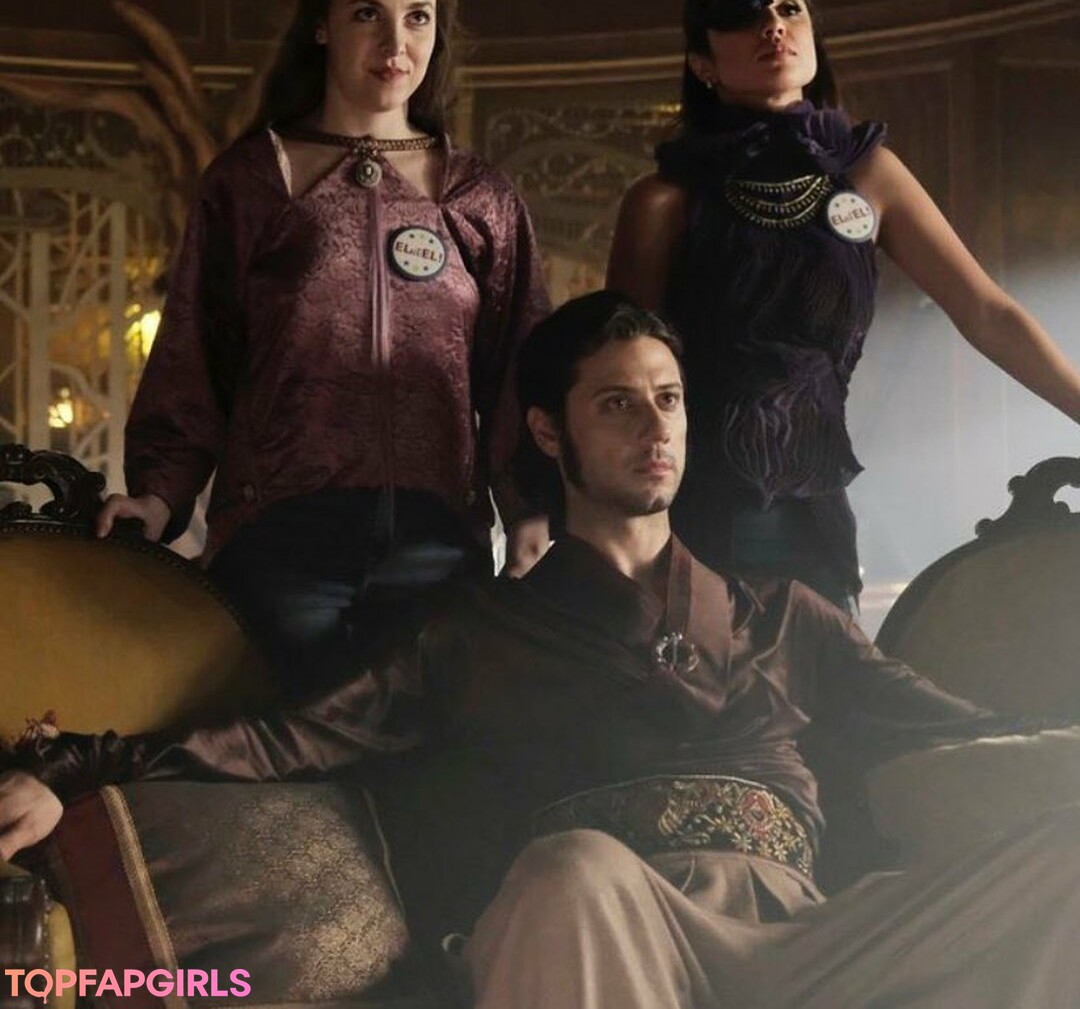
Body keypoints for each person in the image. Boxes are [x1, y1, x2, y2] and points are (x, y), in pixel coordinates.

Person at [2, 291, 1077, 1009]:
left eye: (669, 400)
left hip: (802, 945)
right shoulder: (479, 629)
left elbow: (973, 730)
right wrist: (75, 769)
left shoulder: (787, 615)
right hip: (605, 931)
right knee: (574, 871)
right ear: (552, 432)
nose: (656, 428)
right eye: (618, 404)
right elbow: (288, 740)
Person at [96, 0, 551, 694]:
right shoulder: (251, 183)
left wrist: (528, 507)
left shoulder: (480, 197)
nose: (396, 42)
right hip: (280, 541)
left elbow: (522, 365)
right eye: (368, 13)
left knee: (427, 750)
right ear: (321, 25)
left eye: (418, 16)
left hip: (436, 545)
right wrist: (159, 493)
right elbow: (195, 350)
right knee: (285, 745)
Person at [606, 0, 1080, 608]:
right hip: (691, 506)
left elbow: (986, 312)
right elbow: (615, 377)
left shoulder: (870, 174)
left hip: (818, 503)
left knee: (831, 662)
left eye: (790, 8)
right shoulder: (663, 200)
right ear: (703, 62)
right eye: (744, 15)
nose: (773, 25)